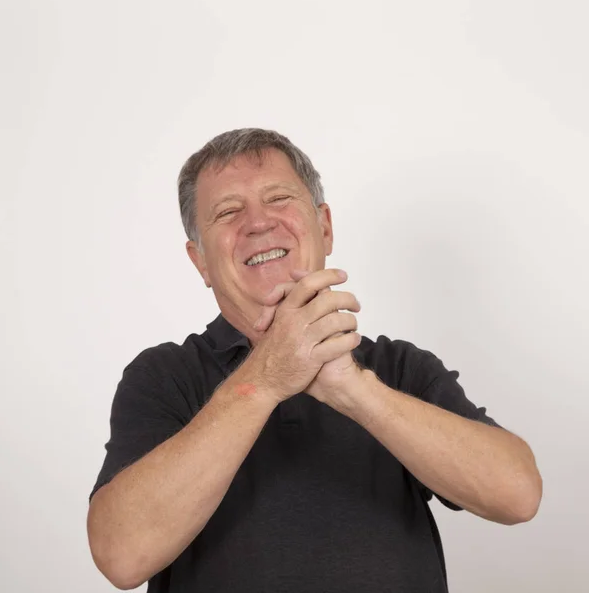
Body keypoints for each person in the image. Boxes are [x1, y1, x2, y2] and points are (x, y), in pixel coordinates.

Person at [87, 128, 542, 592]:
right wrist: (265, 380)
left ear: (324, 226)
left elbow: (518, 496)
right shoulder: (164, 377)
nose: (259, 223)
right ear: (199, 260)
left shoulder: (399, 367)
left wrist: (354, 389)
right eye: (227, 212)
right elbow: (122, 556)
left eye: (279, 198)